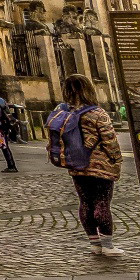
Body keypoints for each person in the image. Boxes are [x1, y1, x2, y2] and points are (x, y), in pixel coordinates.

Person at [48, 73, 125, 256]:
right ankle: (108, 245)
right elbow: (110, 140)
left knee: (85, 202)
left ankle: (94, 243)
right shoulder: (97, 113)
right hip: (100, 167)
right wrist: (116, 159)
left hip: (76, 165)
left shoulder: (64, 113)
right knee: (102, 202)